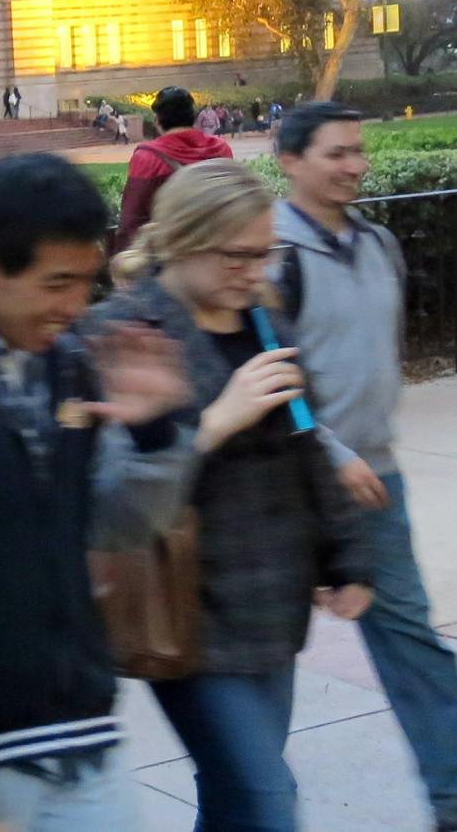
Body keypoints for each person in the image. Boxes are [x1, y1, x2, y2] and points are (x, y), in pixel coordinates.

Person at [0, 153, 281, 830]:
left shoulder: (65, 365)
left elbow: (113, 526)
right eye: (56, 282)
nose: (76, 305)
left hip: (75, 730)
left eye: (86, 280)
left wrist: (156, 433)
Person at [97, 160, 370, 831]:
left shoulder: (266, 323)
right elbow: (114, 494)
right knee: (267, 800)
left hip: (269, 602)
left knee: (235, 795)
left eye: (264, 252)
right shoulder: (128, 331)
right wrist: (217, 418)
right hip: (184, 611)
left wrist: (347, 558)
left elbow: (308, 442)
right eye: (237, 255)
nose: (255, 270)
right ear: (184, 240)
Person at [273, 103, 457, 832]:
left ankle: (451, 796)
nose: (354, 165)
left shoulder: (380, 241)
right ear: (290, 161)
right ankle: (250, 802)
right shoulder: (270, 255)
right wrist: (327, 449)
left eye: (358, 150)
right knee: (261, 665)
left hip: (377, 482)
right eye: (335, 153)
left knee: (410, 641)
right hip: (290, 491)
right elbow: (268, 380)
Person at [113, 85, 234, 254]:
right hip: (219, 250)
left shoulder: (147, 157)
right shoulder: (221, 149)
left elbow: (133, 216)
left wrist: (122, 258)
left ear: (157, 120)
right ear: (192, 116)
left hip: (172, 256)